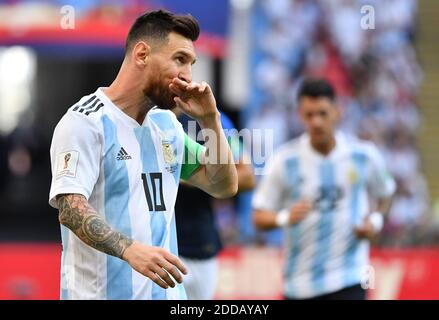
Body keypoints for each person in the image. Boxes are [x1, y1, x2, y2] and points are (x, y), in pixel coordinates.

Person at [48, 9, 238, 300]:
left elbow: (223, 184)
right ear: (142, 54)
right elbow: (70, 208)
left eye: (191, 63)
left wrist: (210, 120)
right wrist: (130, 250)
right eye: (180, 60)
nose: (188, 75)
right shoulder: (85, 122)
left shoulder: (166, 125)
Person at [252, 78, 396, 300]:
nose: (316, 122)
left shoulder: (363, 156)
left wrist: (375, 221)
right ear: (300, 115)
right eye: (309, 115)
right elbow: (258, 216)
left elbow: (386, 193)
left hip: (350, 278)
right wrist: (285, 217)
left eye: (322, 113)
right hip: (299, 285)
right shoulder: (284, 161)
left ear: (337, 112)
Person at [174, 109, 255, 300]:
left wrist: (187, 175)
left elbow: (246, 177)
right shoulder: (141, 113)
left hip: (198, 245)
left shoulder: (209, 117)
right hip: (150, 246)